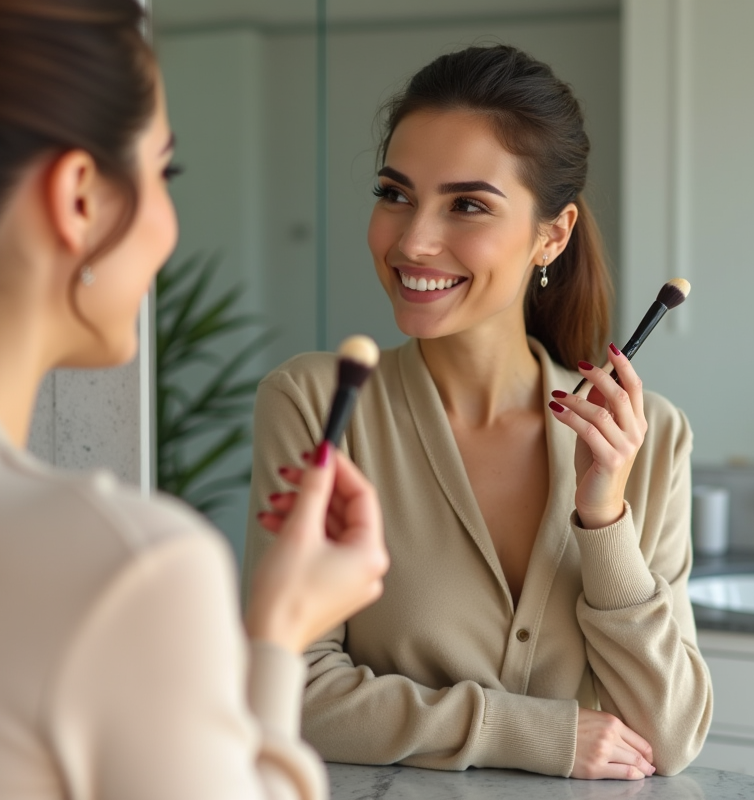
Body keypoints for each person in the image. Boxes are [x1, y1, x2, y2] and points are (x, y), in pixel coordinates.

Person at [0, 1, 388, 798]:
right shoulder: (126, 571)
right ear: (80, 199)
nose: (170, 221)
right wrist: (279, 636)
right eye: (165, 171)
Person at [244, 44, 712, 780]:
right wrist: (526, 731)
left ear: (551, 235)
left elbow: (670, 736)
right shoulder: (318, 405)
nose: (412, 240)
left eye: (466, 205)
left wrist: (604, 517)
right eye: (395, 194)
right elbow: (288, 688)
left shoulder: (649, 438)